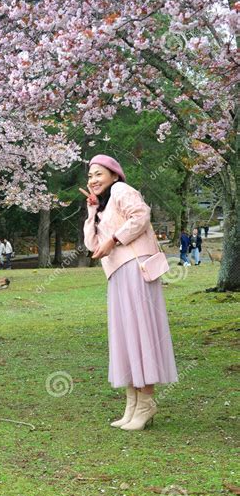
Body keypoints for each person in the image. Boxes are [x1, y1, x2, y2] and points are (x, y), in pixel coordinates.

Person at [82, 154, 178, 431]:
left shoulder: (123, 191)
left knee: (140, 333)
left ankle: (146, 402)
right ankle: (132, 403)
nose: (93, 180)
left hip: (136, 269)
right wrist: (92, 211)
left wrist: (113, 239)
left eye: (99, 174)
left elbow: (141, 216)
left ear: (114, 175)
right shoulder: (102, 205)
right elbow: (91, 244)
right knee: (126, 336)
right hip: (117, 274)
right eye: (90, 176)